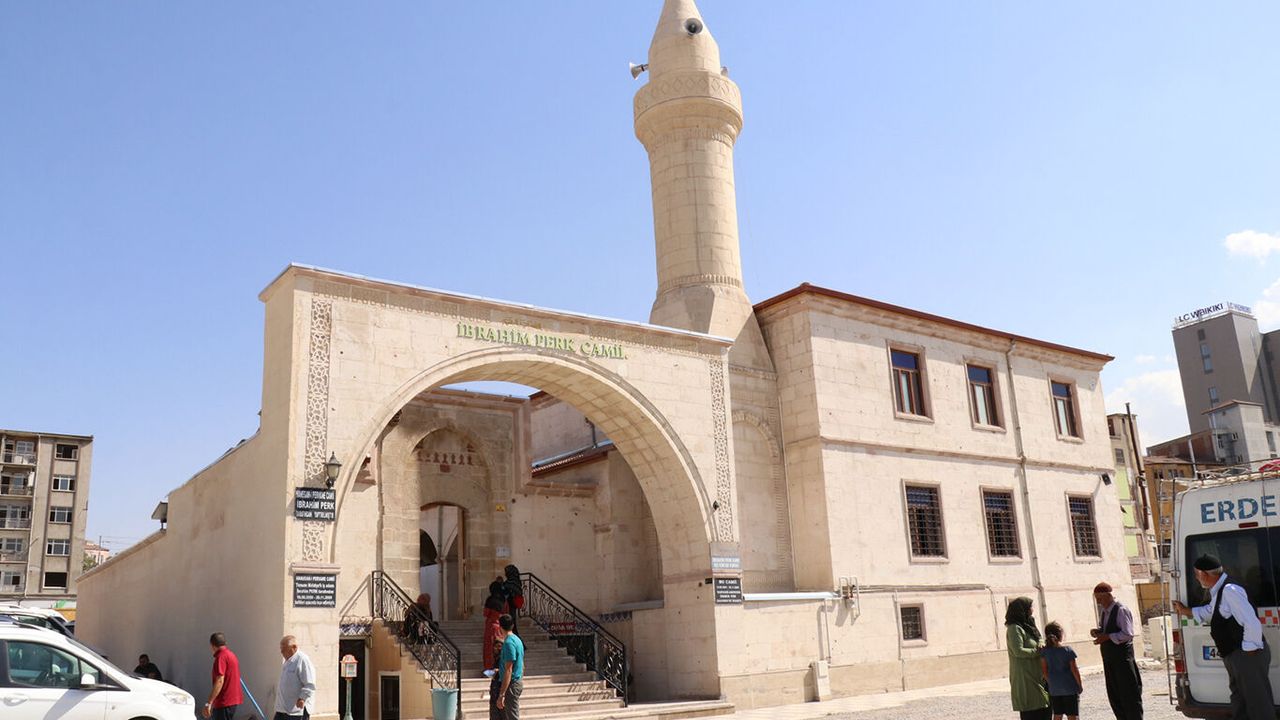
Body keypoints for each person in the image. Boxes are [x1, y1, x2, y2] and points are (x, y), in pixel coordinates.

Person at [1173, 554, 1275, 720]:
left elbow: (1251, 621)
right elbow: (1211, 611)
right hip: (1237, 655)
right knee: (1240, 700)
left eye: (1197, 574)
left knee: (1258, 704)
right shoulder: (1220, 590)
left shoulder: (1230, 590)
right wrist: (1186, 611)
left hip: (1246, 654)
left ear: (1204, 574)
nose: (1197, 578)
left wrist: (1249, 651)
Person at [1091, 581, 1143, 720]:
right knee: (1115, 696)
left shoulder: (1121, 610)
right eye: (1097, 599)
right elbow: (1108, 629)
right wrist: (1099, 632)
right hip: (1109, 660)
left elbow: (1127, 634)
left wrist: (1107, 637)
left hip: (1122, 660)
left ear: (1108, 596)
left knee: (1129, 696)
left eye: (1100, 598)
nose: (1099, 602)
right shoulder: (1104, 612)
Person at [1005, 597, 1051, 720]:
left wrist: (1041, 644)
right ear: (1022, 609)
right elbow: (1018, 651)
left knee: (1045, 708)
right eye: (1030, 606)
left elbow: (1038, 637)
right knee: (1032, 710)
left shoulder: (1029, 623)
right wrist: (1037, 652)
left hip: (1038, 673)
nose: (1032, 609)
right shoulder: (1014, 628)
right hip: (1025, 675)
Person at [1040, 622, 1082, 720]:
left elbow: (1044, 671)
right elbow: (1074, 670)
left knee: (1057, 714)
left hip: (1054, 689)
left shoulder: (1044, 652)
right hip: (1069, 688)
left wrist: (1052, 683)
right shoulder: (1068, 650)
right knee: (1072, 715)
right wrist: (1079, 685)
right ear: (1060, 634)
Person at [274, 635, 316, 720]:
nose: (281, 652)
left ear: (294, 647)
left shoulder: (302, 660)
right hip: (283, 709)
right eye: (281, 649)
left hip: (297, 711)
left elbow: (310, 684)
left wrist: (302, 698)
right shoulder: (287, 662)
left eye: (284, 649)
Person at [203, 632, 242, 720]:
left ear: (213, 645)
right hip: (232, 701)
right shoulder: (231, 655)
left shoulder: (221, 657)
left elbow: (220, 680)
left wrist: (209, 703)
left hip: (224, 702)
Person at [493, 614, 524, 720]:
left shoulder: (509, 643)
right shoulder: (517, 640)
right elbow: (521, 664)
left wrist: (501, 694)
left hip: (511, 684)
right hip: (516, 681)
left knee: (512, 717)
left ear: (500, 627)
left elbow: (509, 670)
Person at [483, 580, 508, 677]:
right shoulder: (504, 600)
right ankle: (499, 669)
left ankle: (489, 670)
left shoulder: (490, 600)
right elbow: (506, 612)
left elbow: (486, 613)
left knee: (489, 648)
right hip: (500, 626)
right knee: (499, 648)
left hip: (491, 626)